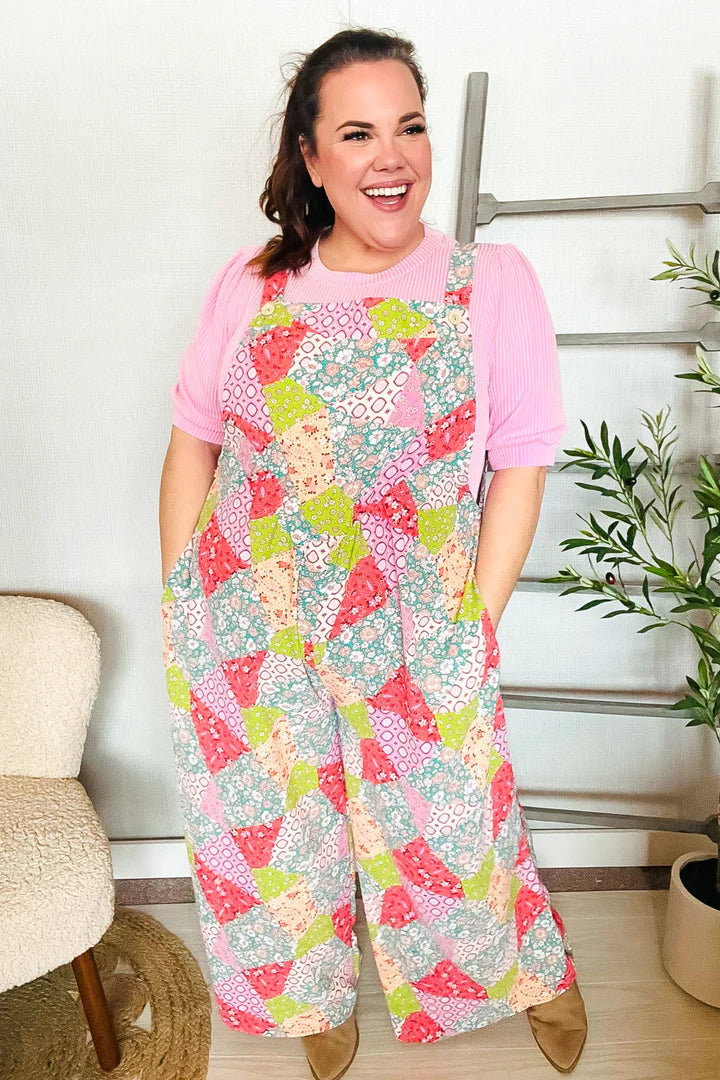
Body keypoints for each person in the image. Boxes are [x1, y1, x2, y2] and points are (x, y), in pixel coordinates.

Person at [159, 27, 588, 1079]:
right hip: (249, 620)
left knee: (453, 826)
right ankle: (313, 996)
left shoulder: (488, 283)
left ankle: (527, 968)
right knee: (276, 835)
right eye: (357, 134)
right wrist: (182, 599)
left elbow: (521, 464)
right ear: (312, 158)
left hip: (414, 621)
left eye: (410, 127)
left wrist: (469, 625)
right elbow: (193, 440)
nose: (391, 157)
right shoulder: (253, 285)